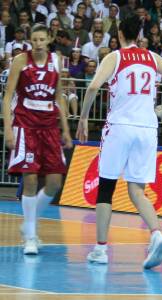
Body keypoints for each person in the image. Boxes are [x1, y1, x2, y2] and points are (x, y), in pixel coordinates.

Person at [76, 14, 162, 269]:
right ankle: (156, 233)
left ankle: (101, 249)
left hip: (120, 126)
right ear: (139, 35)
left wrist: (82, 118)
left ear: (119, 35)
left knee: (106, 188)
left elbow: (92, 87)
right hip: (148, 128)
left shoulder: (115, 57)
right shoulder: (152, 57)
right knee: (137, 190)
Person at [2, 24, 72, 255]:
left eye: (42, 39)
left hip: (50, 127)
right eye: (34, 39)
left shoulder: (56, 60)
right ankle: (31, 235)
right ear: (30, 40)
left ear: (49, 38)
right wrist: (9, 129)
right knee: (30, 180)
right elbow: (8, 96)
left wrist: (66, 129)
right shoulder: (21, 61)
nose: (38, 43)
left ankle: (29, 222)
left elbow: (59, 96)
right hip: (25, 125)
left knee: (54, 183)